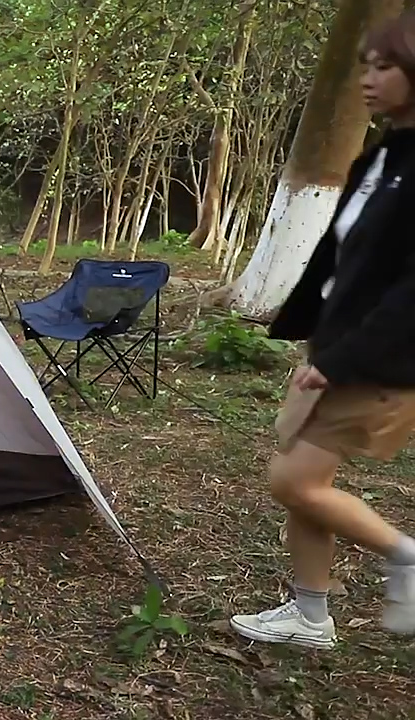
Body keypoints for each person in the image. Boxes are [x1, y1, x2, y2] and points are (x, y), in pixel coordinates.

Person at [229, 10, 415, 649]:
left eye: (384, 65)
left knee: (294, 480)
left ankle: (405, 555)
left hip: (379, 360)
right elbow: (345, 255)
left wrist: (339, 359)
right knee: (303, 481)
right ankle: (310, 614)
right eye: (365, 64)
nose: (368, 77)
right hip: (335, 348)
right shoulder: (385, 153)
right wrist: (312, 333)